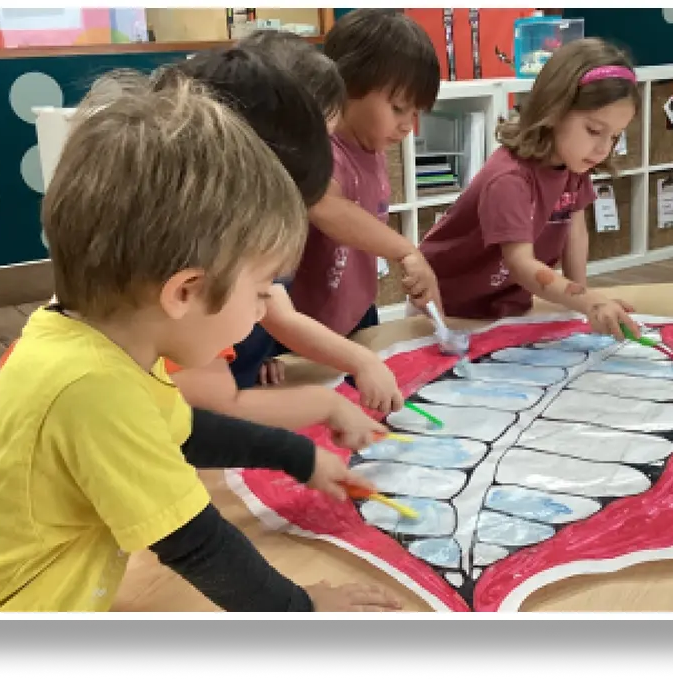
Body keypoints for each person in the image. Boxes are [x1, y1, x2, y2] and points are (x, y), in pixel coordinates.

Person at [0, 70, 402, 613]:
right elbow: (198, 545)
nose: (264, 310)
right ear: (184, 291)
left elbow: (177, 432)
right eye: (260, 290)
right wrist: (306, 610)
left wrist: (297, 455)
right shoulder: (91, 390)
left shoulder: (87, 340)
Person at [150, 48, 403, 438]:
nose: (262, 305)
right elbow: (218, 412)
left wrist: (361, 361)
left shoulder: (199, 253)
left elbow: (278, 313)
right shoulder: (172, 292)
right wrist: (326, 405)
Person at [233, 10, 445, 387]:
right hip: (296, 330)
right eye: (398, 108)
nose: (408, 126)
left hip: (356, 313)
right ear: (344, 85)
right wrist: (405, 250)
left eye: (416, 113)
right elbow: (324, 206)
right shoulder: (316, 151)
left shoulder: (374, 147)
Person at [419, 38, 642, 341]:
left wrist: (586, 303)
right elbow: (520, 263)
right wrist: (587, 300)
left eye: (615, 136)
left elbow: (574, 233)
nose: (603, 148)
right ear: (554, 110)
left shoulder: (574, 164)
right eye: (593, 130)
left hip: (505, 303)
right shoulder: (510, 179)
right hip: (447, 307)